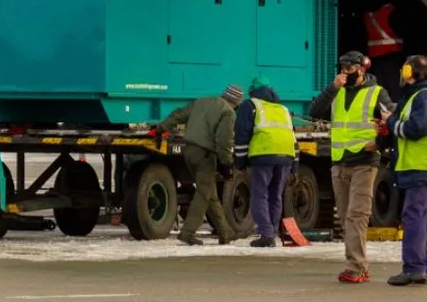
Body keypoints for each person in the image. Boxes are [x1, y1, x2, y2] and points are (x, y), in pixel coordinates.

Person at [309, 50, 397, 283]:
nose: (344, 73)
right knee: (347, 215)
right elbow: (314, 112)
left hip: (364, 163)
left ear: (361, 69)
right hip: (339, 162)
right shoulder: (336, 93)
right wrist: (332, 87)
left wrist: (378, 143)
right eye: (342, 68)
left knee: (357, 215)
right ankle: (358, 264)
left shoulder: (377, 93)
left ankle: (356, 266)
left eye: (348, 69)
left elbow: (393, 123)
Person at [386, 55, 427, 287]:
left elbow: (416, 129)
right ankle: (422, 268)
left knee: (413, 216)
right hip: (422, 165)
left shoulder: (425, 96)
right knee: (418, 216)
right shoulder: (423, 95)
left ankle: (414, 268)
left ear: (408, 72)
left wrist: (391, 123)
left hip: (423, 165)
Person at [157, 85, 244, 245]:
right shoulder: (228, 112)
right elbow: (224, 139)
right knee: (203, 194)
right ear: (236, 102)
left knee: (210, 194)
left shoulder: (202, 101)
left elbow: (179, 114)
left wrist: (162, 127)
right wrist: (227, 163)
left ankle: (225, 233)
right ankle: (187, 233)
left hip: (189, 150)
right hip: (205, 154)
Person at [234, 75, 297, 248]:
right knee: (276, 195)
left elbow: (241, 134)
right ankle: (272, 232)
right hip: (286, 155)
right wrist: (295, 163)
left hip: (263, 155)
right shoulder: (283, 109)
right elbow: (293, 136)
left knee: (260, 194)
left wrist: (240, 161)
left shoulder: (250, 105)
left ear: (252, 91)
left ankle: (266, 233)